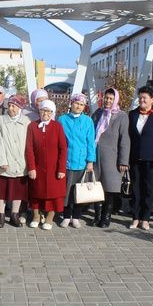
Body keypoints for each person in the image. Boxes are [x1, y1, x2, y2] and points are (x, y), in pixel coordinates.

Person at [128, 86, 153, 230]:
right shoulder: (132, 114)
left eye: (145, 97)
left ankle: (145, 218)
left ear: (152, 100)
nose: (142, 100)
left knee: (149, 189)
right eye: (140, 97)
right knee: (136, 188)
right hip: (135, 158)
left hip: (152, 159)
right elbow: (128, 137)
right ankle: (135, 217)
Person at [25, 100, 67, 230]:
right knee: (36, 192)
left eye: (48, 111)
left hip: (54, 169)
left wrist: (61, 169)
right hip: (38, 167)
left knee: (54, 194)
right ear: (39, 111)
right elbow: (29, 148)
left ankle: (49, 218)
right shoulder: (32, 126)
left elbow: (63, 148)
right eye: (43, 110)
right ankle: (36, 216)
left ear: (52, 113)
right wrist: (31, 167)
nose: (45, 113)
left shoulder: (57, 126)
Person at [91, 88, 130, 228]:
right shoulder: (97, 114)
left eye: (110, 99)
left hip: (112, 158)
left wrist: (123, 161)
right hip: (96, 157)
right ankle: (97, 215)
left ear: (115, 100)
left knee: (109, 189)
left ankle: (106, 217)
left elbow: (125, 139)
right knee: (96, 187)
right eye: (106, 98)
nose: (107, 101)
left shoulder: (121, 116)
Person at [58, 93, 95, 228]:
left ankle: (76, 216)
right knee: (67, 191)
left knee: (79, 191)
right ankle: (66, 216)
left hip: (81, 161)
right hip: (66, 161)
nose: (78, 106)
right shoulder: (62, 119)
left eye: (81, 104)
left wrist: (90, 160)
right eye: (76, 103)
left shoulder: (88, 121)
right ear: (71, 103)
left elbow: (90, 142)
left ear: (84, 107)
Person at [0, 95, 30, 228]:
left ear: (20, 108)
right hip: (5, 162)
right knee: (1, 190)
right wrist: (2, 160)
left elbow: (28, 143)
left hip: (21, 162)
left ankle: (14, 214)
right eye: (10, 105)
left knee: (18, 191)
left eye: (14, 106)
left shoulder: (26, 121)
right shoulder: (1, 120)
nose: (11, 108)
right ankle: (1, 215)